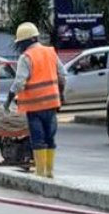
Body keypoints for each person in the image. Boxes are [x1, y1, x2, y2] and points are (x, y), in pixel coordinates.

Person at [5, 23, 67, 179]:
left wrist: (8, 100)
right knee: (50, 137)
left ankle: (40, 173)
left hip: (34, 107)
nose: (19, 47)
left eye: (20, 43)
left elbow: (19, 82)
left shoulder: (26, 57)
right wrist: (60, 94)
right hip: (51, 104)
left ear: (27, 41)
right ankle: (49, 172)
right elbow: (63, 75)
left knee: (38, 139)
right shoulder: (50, 52)